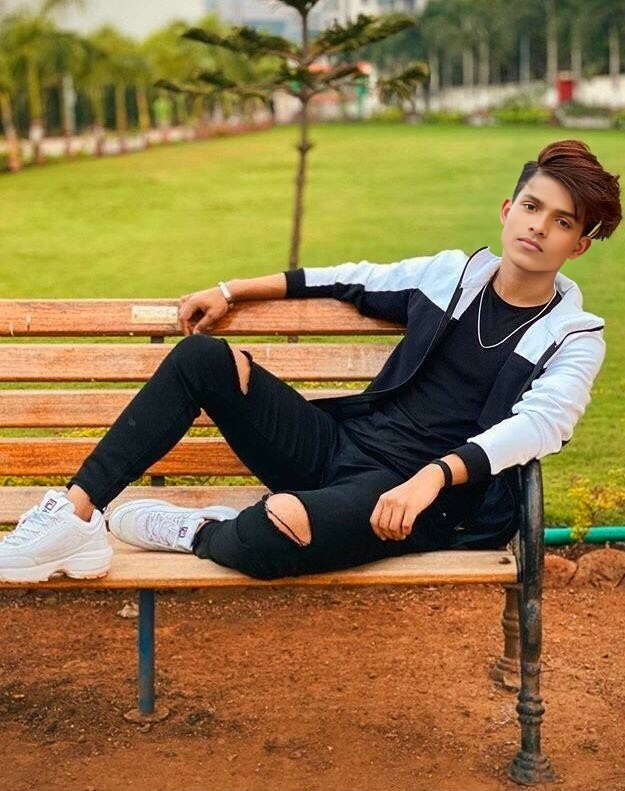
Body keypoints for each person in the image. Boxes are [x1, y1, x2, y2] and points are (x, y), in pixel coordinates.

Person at [0, 139, 621, 583]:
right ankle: (74, 516)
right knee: (203, 358)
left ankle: (198, 531)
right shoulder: (451, 276)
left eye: (562, 222)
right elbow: (347, 278)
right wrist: (231, 290)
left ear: (580, 244)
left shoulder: (573, 336)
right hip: (333, 444)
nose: (539, 227)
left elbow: (542, 425)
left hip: (411, 496)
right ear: (508, 210)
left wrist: (432, 477)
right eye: (532, 207)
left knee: (278, 528)